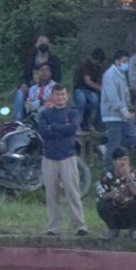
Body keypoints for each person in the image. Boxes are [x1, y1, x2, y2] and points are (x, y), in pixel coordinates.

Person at [36, 85, 88, 239]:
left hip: (68, 157)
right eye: (57, 94)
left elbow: (72, 129)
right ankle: (53, 227)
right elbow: (44, 132)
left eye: (63, 94)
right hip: (49, 157)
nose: (60, 97)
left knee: (73, 193)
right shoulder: (45, 113)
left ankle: (79, 226)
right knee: (51, 194)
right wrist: (62, 128)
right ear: (52, 96)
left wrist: (54, 126)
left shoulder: (73, 113)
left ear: (67, 96)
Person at [97, 150, 136, 238]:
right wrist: (111, 195)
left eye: (125, 160)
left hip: (130, 210)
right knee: (101, 205)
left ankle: (134, 229)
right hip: (115, 211)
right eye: (120, 160)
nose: (123, 163)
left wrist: (128, 177)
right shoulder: (106, 175)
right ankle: (113, 229)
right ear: (114, 162)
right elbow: (101, 195)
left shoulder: (134, 174)